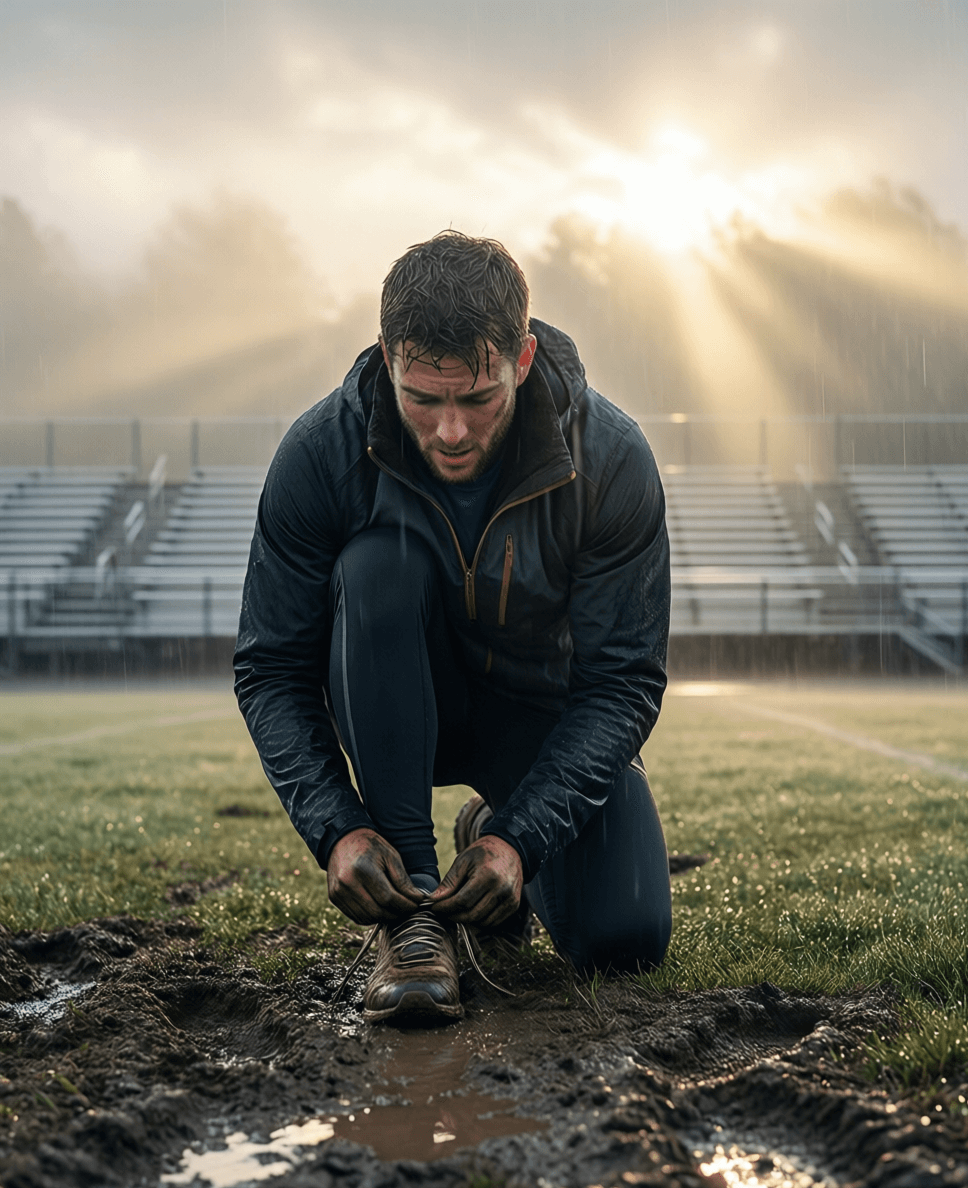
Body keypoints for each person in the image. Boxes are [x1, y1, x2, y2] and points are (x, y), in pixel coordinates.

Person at [233, 231, 671, 1024]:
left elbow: (622, 683)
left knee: (625, 939)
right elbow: (270, 667)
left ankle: (489, 829)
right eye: (423, 399)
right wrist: (337, 830)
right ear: (387, 359)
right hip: (391, 697)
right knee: (377, 567)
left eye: (478, 398)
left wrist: (522, 841)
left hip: (537, 714)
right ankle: (415, 926)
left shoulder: (609, 459)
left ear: (524, 359)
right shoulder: (319, 453)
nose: (450, 433)